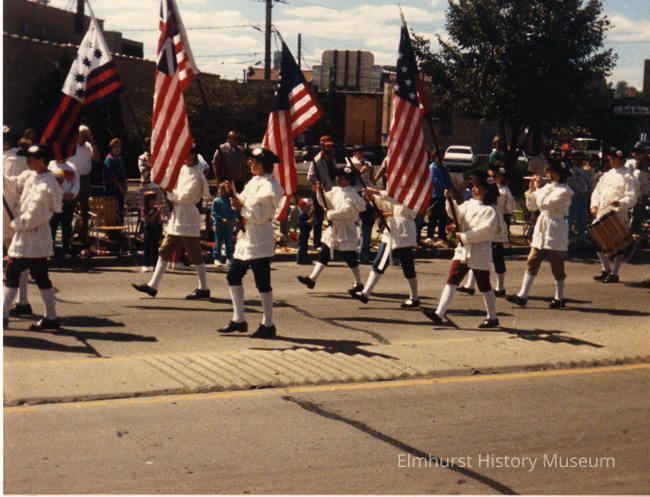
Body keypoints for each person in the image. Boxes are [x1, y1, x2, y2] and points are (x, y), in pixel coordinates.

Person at [218, 147, 284, 339]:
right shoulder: (254, 182)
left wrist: (241, 207)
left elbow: (260, 216)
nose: (250, 164)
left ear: (263, 164)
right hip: (247, 239)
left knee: (262, 282)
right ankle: (238, 319)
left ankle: (268, 324)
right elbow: (242, 201)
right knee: (233, 275)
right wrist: (232, 194)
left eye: (254, 162)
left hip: (260, 239)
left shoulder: (270, 187)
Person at [421, 170, 502, 328]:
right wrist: (449, 200)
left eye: (478, 187)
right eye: (473, 186)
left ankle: (492, 317)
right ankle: (439, 313)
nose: (474, 189)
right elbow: (456, 215)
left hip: (479, 251)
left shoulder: (491, 210)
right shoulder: (470, 204)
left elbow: (486, 231)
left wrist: (464, 236)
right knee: (452, 279)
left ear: (486, 190)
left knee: (484, 284)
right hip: (464, 250)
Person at [132, 145, 211, 299]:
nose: (183, 157)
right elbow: (173, 184)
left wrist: (169, 192)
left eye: (186, 154)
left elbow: (185, 197)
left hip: (188, 216)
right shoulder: (183, 169)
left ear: (193, 155)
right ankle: (153, 285)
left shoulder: (198, 175)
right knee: (165, 250)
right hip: (178, 215)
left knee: (195, 254)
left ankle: (204, 287)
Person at [3, 144, 63, 330]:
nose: (27, 162)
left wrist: (17, 224)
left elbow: (35, 216)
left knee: (14, 272)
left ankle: (3, 315)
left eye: (30, 159)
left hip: (34, 237)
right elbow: (13, 184)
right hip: (26, 238)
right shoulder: (31, 175)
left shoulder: (47, 186)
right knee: (38, 276)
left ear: (41, 161)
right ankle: (51, 317)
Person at [507, 159, 574, 308]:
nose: (548, 174)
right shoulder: (546, 187)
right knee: (532, 260)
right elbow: (532, 207)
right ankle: (522, 295)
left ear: (558, 174)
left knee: (557, 265)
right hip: (542, 228)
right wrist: (531, 191)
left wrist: (537, 190)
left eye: (551, 172)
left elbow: (546, 203)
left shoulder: (565, 191)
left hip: (556, 228)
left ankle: (559, 297)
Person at [297, 166, 366, 293]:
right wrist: (320, 191)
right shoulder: (336, 191)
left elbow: (347, 212)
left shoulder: (352, 195)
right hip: (334, 229)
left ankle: (359, 283)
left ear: (349, 180)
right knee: (324, 253)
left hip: (346, 230)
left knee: (350, 257)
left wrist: (330, 214)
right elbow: (325, 202)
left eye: (343, 178)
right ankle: (312, 279)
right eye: (339, 177)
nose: (340, 180)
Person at [349, 187, 420, 308]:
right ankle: (414, 297)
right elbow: (388, 205)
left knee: (389, 264)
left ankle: (366, 294)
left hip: (402, 233)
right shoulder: (399, 196)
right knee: (399, 264)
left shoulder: (414, 195)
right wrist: (373, 199)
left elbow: (394, 200)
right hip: (393, 232)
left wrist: (375, 192)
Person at [458, 164, 512, 297]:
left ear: (501, 177)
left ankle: (500, 286)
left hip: (494, 226)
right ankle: (470, 285)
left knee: (497, 257)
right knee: (475, 253)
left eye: (495, 176)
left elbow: (510, 208)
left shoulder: (503, 191)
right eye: (490, 176)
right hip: (483, 222)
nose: (492, 178)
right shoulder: (486, 188)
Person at [590, 149, 639, 283]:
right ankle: (605, 269)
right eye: (610, 159)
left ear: (621, 160)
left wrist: (620, 203)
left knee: (617, 245)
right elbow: (597, 192)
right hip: (602, 213)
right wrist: (594, 205)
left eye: (613, 159)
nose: (611, 161)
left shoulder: (629, 177)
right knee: (599, 243)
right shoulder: (606, 175)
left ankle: (615, 273)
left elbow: (632, 197)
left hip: (617, 214)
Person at [3, 127, 33, 317]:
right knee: (19, 261)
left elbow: (9, 193)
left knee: (15, 261)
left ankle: (19, 302)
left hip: (12, 217)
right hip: (18, 216)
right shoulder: (19, 159)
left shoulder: (11, 162)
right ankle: (21, 301)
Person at [67, 125, 99, 243]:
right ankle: (69, 234)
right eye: (83, 134)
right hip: (72, 178)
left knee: (86, 208)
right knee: (70, 207)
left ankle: (83, 234)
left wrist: (93, 143)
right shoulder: (71, 146)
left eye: (86, 135)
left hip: (85, 179)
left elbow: (97, 158)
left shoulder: (89, 146)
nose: (84, 137)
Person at [307, 135, 338, 249]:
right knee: (319, 217)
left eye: (331, 146)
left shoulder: (332, 158)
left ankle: (332, 240)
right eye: (327, 146)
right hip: (319, 192)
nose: (329, 148)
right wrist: (318, 183)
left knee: (332, 216)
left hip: (331, 191)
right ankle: (317, 243)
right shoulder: (317, 160)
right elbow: (310, 176)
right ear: (322, 146)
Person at [47, 157, 79, 257]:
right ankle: (50, 250)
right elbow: (48, 183)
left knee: (66, 225)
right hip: (55, 201)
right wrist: (60, 195)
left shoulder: (72, 166)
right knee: (53, 225)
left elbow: (77, 183)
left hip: (69, 201)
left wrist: (72, 194)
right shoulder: (51, 165)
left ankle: (66, 248)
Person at [350, 145, 375, 263]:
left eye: (361, 152)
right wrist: (360, 172)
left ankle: (365, 252)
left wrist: (370, 171)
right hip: (357, 193)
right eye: (358, 152)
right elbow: (349, 180)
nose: (360, 154)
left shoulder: (368, 163)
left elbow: (372, 180)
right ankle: (360, 252)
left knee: (368, 222)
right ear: (354, 153)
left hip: (367, 192)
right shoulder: (351, 163)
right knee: (359, 223)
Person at [426, 148, 454, 244]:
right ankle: (430, 236)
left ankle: (442, 237)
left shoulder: (444, 167)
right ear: (435, 157)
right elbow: (435, 180)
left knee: (443, 217)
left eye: (442, 156)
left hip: (444, 196)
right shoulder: (432, 167)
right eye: (439, 156)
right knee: (433, 217)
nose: (441, 158)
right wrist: (444, 187)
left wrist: (451, 188)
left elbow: (448, 179)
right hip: (436, 195)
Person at [566, 150, 591, 248]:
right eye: (577, 159)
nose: (580, 161)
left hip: (584, 197)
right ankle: (567, 237)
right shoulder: (571, 171)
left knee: (582, 218)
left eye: (581, 159)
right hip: (575, 197)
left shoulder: (583, 171)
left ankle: (581, 237)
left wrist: (588, 192)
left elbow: (587, 183)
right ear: (573, 160)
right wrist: (581, 192)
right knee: (571, 218)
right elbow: (573, 184)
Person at [211, 182, 236, 266]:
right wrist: (221, 219)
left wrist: (232, 218)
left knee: (228, 241)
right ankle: (217, 258)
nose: (221, 191)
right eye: (220, 189)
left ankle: (229, 257)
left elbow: (233, 211)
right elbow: (213, 213)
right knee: (218, 242)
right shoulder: (216, 201)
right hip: (219, 224)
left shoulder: (230, 201)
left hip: (228, 224)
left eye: (224, 189)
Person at [103, 138, 127, 223]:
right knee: (112, 214)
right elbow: (113, 178)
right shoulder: (109, 160)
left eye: (119, 147)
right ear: (111, 148)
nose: (117, 149)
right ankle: (113, 230)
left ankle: (119, 229)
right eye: (115, 147)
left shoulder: (120, 159)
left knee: (120, 213)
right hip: (111, 191)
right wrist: (120, 188)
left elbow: (123, 175)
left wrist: (125, 187)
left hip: (120, 192)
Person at [140, 191, 162, 272]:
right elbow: (148, 219)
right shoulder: (145, 209)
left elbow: (159, 221)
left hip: (155, 229)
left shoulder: (155, 209)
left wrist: (159, 213)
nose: (154, 201)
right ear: (147, 200)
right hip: (148, 229)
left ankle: (155, 265)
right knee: (147, 247)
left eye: (155, 199)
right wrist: (156, 212)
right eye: (152, 200)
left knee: (155, 248)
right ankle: (145, 264)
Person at [296, 197, 312, 265]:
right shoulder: (302, 215)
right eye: (307, 207)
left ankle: (304, 258)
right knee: (302, 247)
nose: (309, 208)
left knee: (304, 246)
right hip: (302, 233)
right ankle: (300, 259)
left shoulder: (306, 214)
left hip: (305, 233)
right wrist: (307, 222)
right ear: (302, 207)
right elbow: (299, 224)